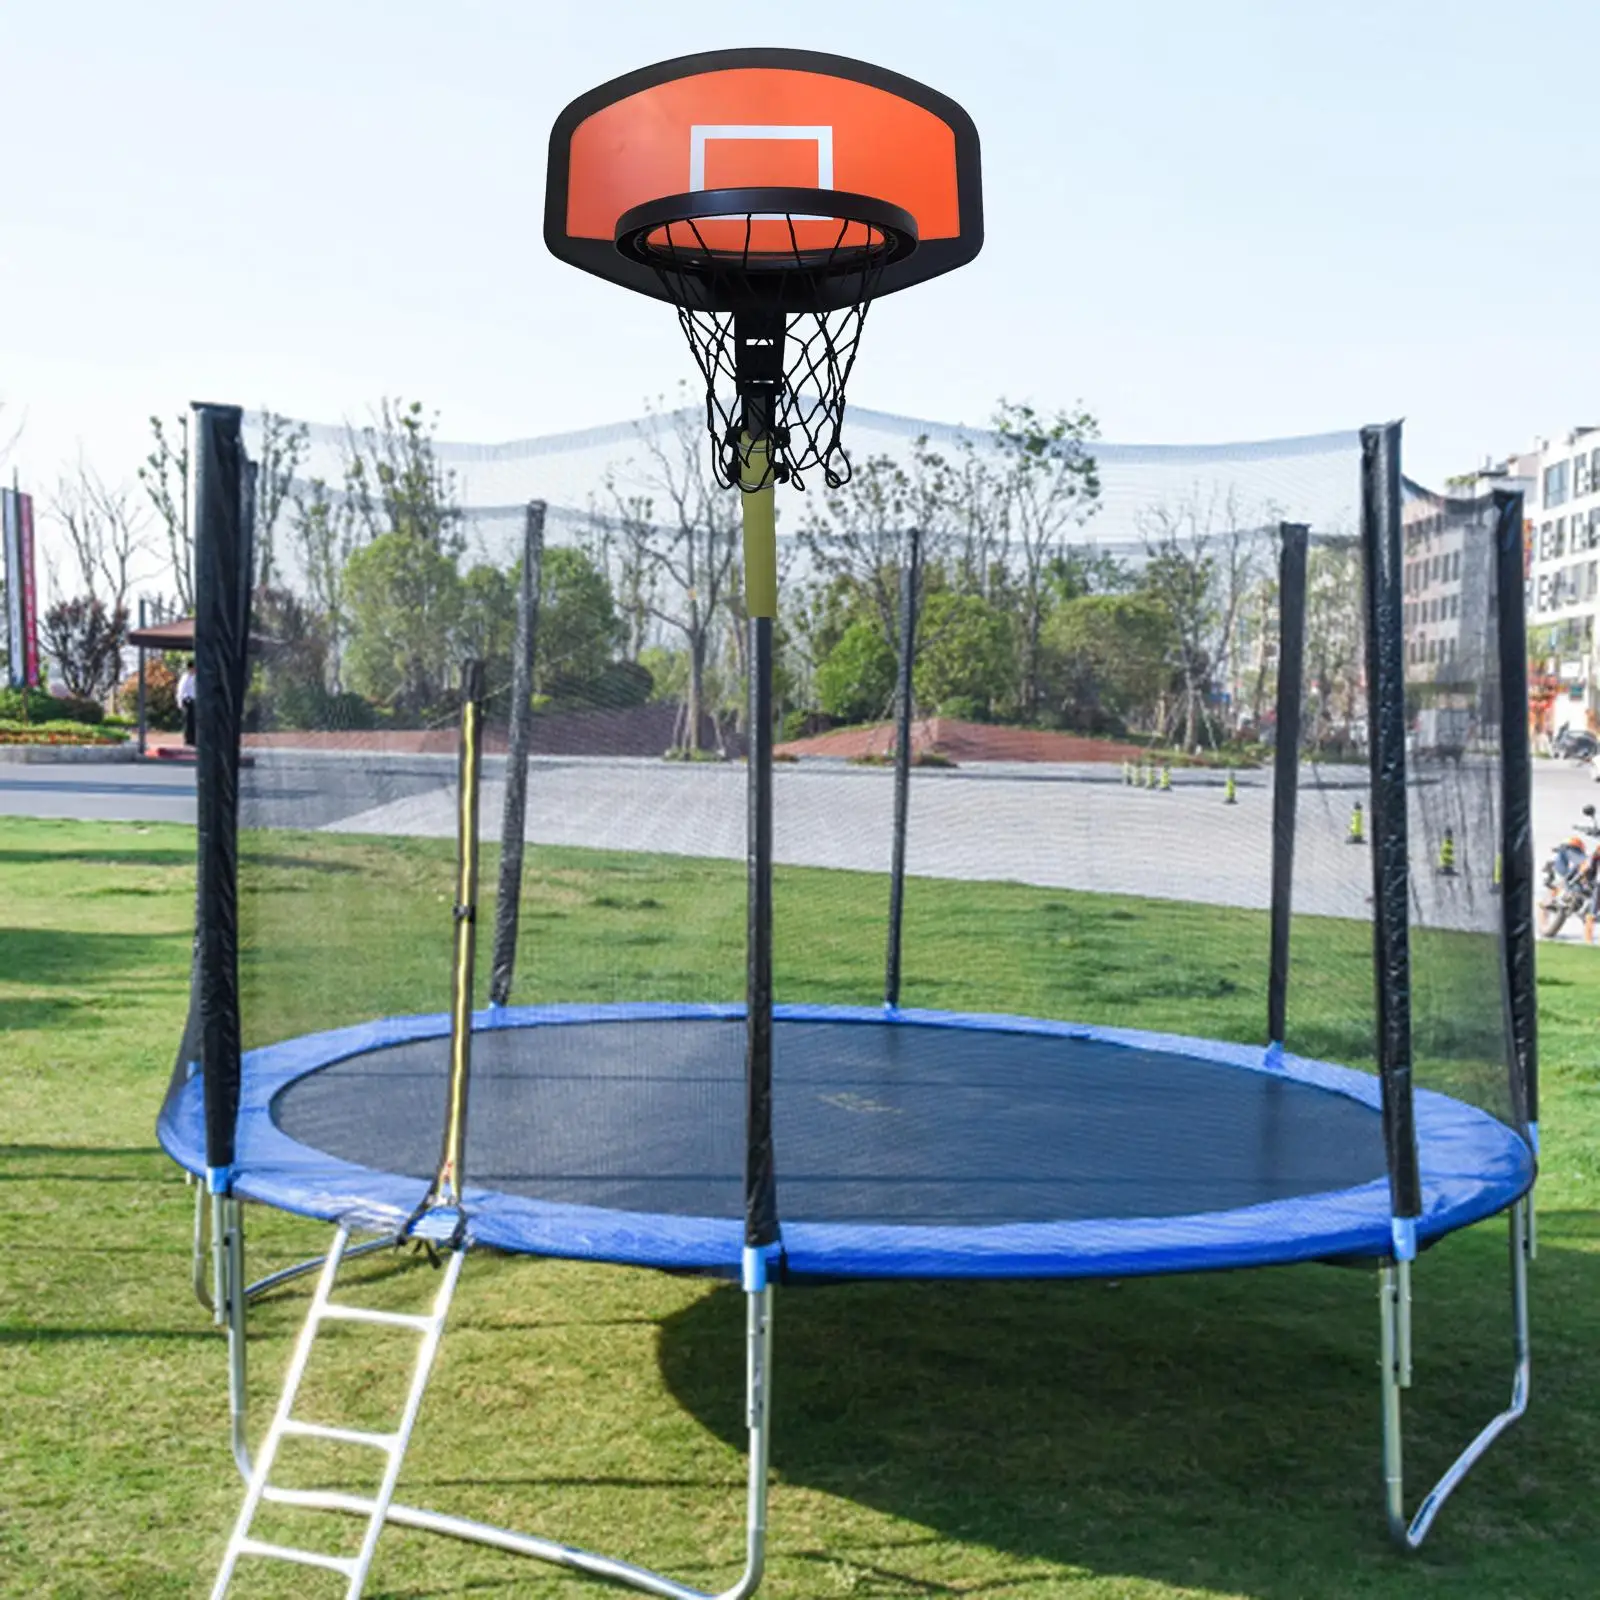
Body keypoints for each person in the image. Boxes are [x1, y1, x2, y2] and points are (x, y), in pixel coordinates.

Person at [176, 658, 197, 747]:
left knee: (195, 721)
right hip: (188, 701)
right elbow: (181, 690)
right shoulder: (185, 677)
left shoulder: (197, 677)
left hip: (195, 701)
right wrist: (179, 702)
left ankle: (195, 740)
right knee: (188, 722)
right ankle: (188, 740)